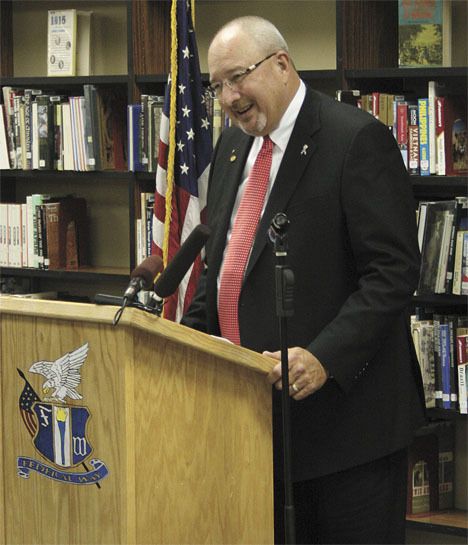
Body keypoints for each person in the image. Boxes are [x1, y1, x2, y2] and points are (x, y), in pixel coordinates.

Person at [181, 16, 426, 545]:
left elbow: (393, 272)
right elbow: (221, 269)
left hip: (347, 432)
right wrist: (180, 344)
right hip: (253, 422)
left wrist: (323, 357)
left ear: (282, 64)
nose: (228, 97)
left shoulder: (354, 138)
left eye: (237, 77)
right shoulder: (230, 148)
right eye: (216, 86)